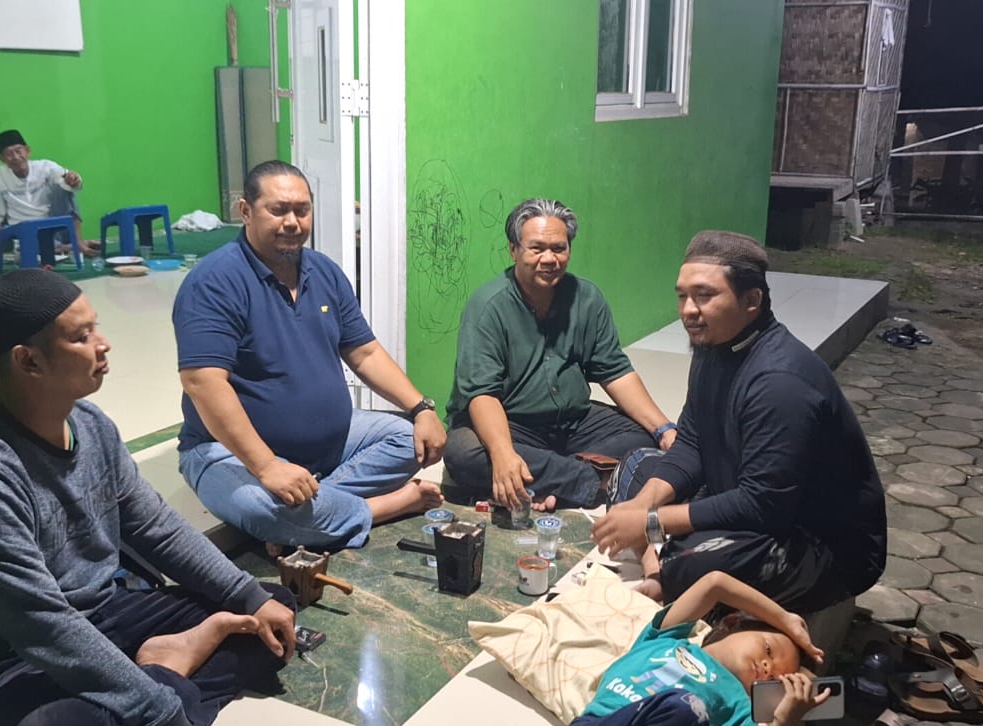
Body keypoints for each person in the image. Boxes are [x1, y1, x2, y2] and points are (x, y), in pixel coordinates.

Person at [0, 269, 297, 726]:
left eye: (95, 327)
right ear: (29, 360)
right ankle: (168, 670)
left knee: (271, 613)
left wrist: (249, 597)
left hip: (110, 615)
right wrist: (159, 711)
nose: (104, 344)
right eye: (82, 336)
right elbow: (42, 626)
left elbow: (157, 528)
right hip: (16, 662)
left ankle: (161, 675)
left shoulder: (91, 424)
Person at [592, 231, 886, 614]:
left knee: (702, 562)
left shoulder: (780, 381)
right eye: (682, 296)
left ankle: (664, 571)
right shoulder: (712, 345)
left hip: (820, 543)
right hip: (742, 495)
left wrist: (651, 523)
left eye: (704, 295)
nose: (688, 310)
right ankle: (661, 567)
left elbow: (763, 505)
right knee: (634, 466)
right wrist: (644, 506)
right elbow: (691, 441)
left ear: (752, 301)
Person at [175, 160, 446, 550]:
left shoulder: (324, 272)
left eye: (302, 210)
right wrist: (267, 465)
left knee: (410, 440)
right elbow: (203, 382)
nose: (292, 222)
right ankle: (381, 507)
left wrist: (421, 408)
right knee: (261, 508)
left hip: (329, 444)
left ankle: (306, 514)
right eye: (278, 210)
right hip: (228, 451)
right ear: (246, 211)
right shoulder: (214, 282)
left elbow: (365, 351)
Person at [443, 198, 677, 513]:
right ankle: (597, 481)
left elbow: (615, 371)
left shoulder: (587, 298)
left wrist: (663, 429)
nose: (549, 259)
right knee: (463, 453)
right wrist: (502, 453)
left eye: (559, 248)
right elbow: (482, 394)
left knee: (641, 434)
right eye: (537, 248)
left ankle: (547, 481)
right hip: (511, 423)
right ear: (513, 250)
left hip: (572, 421)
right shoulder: (488, 306)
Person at [566, 567, 831, 726]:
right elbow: (715, 583)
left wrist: (783, 723)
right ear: (732, 623)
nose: (766, 666)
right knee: (684, 707)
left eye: (773, 678)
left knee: (688, 709)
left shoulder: (739, 710)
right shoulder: (667, 639)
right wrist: (784, 618)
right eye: (768, 650)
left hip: (680, 719)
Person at [0, 129, 101, 258]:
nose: (15, 157)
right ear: (2, 158)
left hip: (53, 225)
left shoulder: (45, 167)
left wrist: (73, 180)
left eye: (18, 151)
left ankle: (78, 242)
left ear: (27, 151)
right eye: (9, 154)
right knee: (33, 246)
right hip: (24, 229)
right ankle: (67, 247)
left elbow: (70, 181)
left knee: (65, 187)